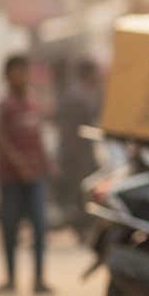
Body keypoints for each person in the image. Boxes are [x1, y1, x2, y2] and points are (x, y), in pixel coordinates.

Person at [0, 54, 55, 295]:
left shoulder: (32, 102)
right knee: (10, 227)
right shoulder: (4, 105)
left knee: (39, 226)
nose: (19, 77)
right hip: (10, 178)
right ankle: (11, 278)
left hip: (35, 176)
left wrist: (46, 163)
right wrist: (20, 165)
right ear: (8, 76)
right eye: (15, 73)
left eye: (22, 72)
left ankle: (39, 278)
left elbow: (37, 136)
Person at [55, 58, 102, 239]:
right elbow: (69, 130)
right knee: (79, 193)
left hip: (82, 152)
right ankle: (81, 230)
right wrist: (75, 154)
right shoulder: (76, 97)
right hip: (77, 154)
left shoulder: (85, 94)